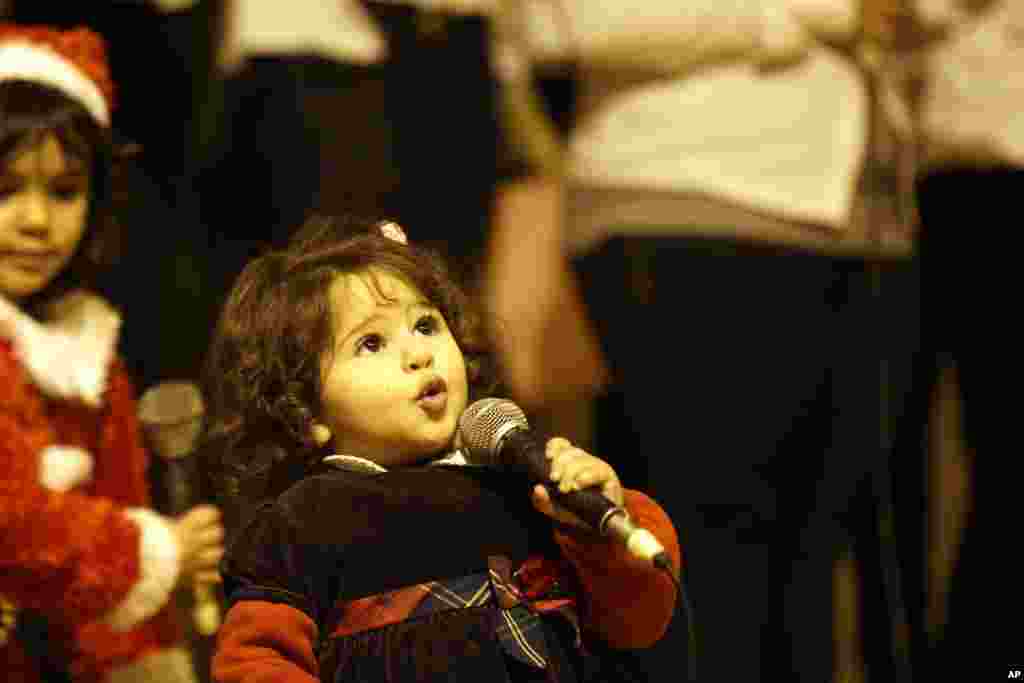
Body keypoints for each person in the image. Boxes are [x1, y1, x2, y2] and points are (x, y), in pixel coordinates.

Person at [201, 215, 681, 683]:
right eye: (371, 343)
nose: (419, 354)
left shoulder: (524, 485)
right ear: (307, 413)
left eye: (426, 326)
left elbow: (638, 622)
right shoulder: (302, 523)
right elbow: (258, 663)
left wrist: (598, 531)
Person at [0, 24, 224, 682]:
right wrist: (155, 551)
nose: (36, 220)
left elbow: (120, 492)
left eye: (64, 191)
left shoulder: (87, 345)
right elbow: (14, 518)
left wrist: (149, 660)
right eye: (6, 190)